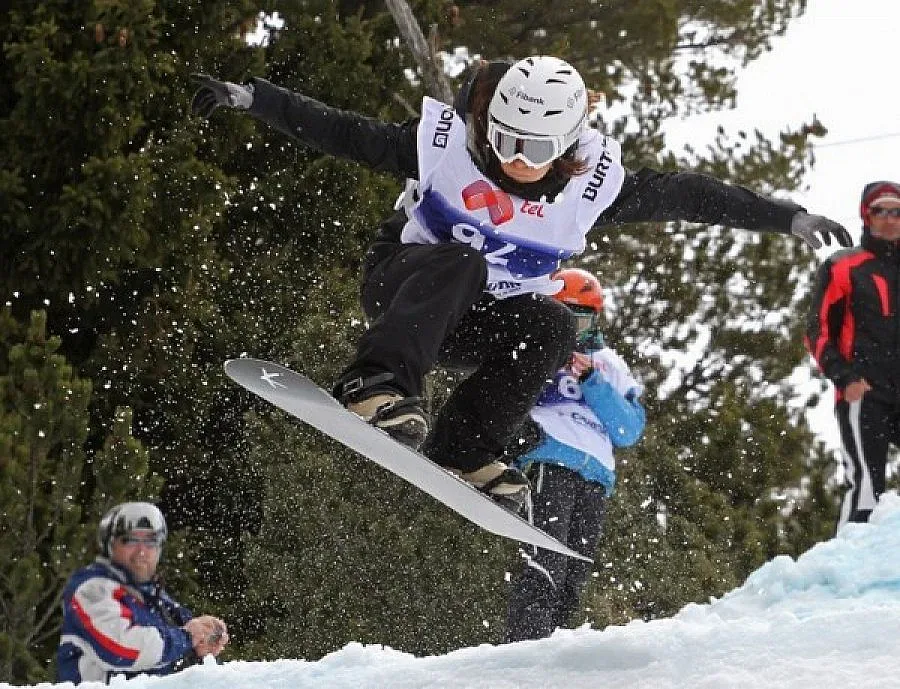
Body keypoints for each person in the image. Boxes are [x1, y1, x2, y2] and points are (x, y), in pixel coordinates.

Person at [190, 55, 851, 509]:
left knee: (552, 323)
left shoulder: (592, 189)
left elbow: (690, 195)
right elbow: (341, 131)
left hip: (472, 322)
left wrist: (785, 217)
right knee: (464, 259)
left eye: (535, 151)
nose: (513, 160)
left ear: (565, 148)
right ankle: (375, 383)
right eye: (504, 139)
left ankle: (465, 444)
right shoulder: (445, 146)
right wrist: (255, 98)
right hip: (404, 287)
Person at [504, 268, 645, 641]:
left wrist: (592, 382)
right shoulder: (538, 343)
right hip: (550, 458)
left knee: (574, 575)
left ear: (594, 319)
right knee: (544, 560)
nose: (572, 328)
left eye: (579, 318)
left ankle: (558, 653)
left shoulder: (610, 363)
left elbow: (629, 429)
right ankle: (524, 648)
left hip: (596, 473)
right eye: (563, 316)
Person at [805, 180, 900, 530]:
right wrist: (844, 377)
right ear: (866, 215)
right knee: (866, 490)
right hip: (864, 391)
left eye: (896, 211)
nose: (889, 219)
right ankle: (847, 579)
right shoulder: (844, 266)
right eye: (880, 211)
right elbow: (816, 330)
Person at [57, 502, 229, 684]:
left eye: (150, 542)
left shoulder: (153, 596)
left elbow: (170, 653)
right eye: (130, 540)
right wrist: (187, 637)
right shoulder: (92, 589)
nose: (141, 552)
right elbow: (120, 649)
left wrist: (200, 648)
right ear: (110, 545)